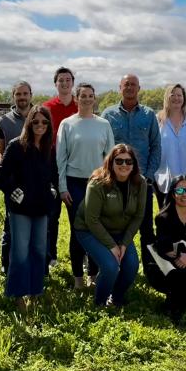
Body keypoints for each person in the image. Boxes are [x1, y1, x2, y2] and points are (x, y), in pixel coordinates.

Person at [0, 105, 58, 311]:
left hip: (41, 207)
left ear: (49, 125)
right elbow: (1, 176)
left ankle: (35, 291)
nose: (40, 125)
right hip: (20, 208)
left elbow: (53, 174)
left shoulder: (49, 147)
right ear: (29, 122)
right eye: (36, 121)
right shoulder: (16, 145)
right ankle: (18, 293)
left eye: (44, 122)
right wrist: (13, 191)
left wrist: (52, 188)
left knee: (39, 251)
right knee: (20, 251)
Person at [101, 74, 161, 288]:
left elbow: (156, 146)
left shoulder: (148, 115)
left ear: (139, 88)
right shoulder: (108, 114)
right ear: (120, 87)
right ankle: (110, 267)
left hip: (141, 183)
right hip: (114, 183)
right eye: (126, 84)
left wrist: (149, 176)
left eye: (133, 85)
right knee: (112, 226)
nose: (129, 88)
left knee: (146, 229)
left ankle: (150, 272)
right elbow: (103, 147)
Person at [55, 83, 115, 289]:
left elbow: (110, 158)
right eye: (83, 96)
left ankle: (93, 275)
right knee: (78, 230)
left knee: (96, 228)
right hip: (74, 183)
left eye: (91, 95)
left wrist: (109, 184)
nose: (87, 99)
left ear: (94, 98)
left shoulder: (104, 125)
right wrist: (62, 187)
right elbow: (61, 158)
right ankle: (78, 278)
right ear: (76, 98)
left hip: (98, 183)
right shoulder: (67, 124)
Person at [72, 144, 145, 307]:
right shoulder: (97, 182)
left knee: (132, 266)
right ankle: (100, 302)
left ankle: (116, 297)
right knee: (110, 266)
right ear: (110, 162)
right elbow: (92, 220)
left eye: (129, 161)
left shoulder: (140, 183)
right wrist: (112, 246)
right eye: (119, 161)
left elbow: (138, 216)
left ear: (134, 164)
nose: (124, 165)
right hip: (89, 230)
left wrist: (124, 243)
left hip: (120, 231)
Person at [149, 175, 186, 320]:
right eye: (180, 190)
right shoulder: (163, 218)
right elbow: (167, 251)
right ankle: (174, 305)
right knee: (182, 275)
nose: (185, 195)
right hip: (168, 264)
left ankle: (185, 300)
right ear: (173, 193)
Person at [0, 80, 33, 274]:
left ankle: (35, 264)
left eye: (25, 94)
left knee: (37, 222)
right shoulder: (3, 121)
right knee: (11, 222)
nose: (22, 97)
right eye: (18, 94)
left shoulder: (39, 117)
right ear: (13, 97)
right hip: (13, 180)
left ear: (31, 95)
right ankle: (7, 264)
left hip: (35, 178)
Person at [42, 67, 78, 267]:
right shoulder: (47, 107)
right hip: (52, 164)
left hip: (74, 165)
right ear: (55, 84)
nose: (64, 83)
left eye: (67, 80)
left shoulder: (80, 106)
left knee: (78, 214)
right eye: (60, 80)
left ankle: (81, 255)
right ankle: (51, 256)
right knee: (52, 213)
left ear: (72, 82)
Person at [153, 83, 186, 207]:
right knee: (166, 217)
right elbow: (152, 150)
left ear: (184, 98)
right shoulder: (157, 120)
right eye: (173, 95)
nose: (176, 98)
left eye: (179, 95)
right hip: (165, 182)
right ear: (167, 97)